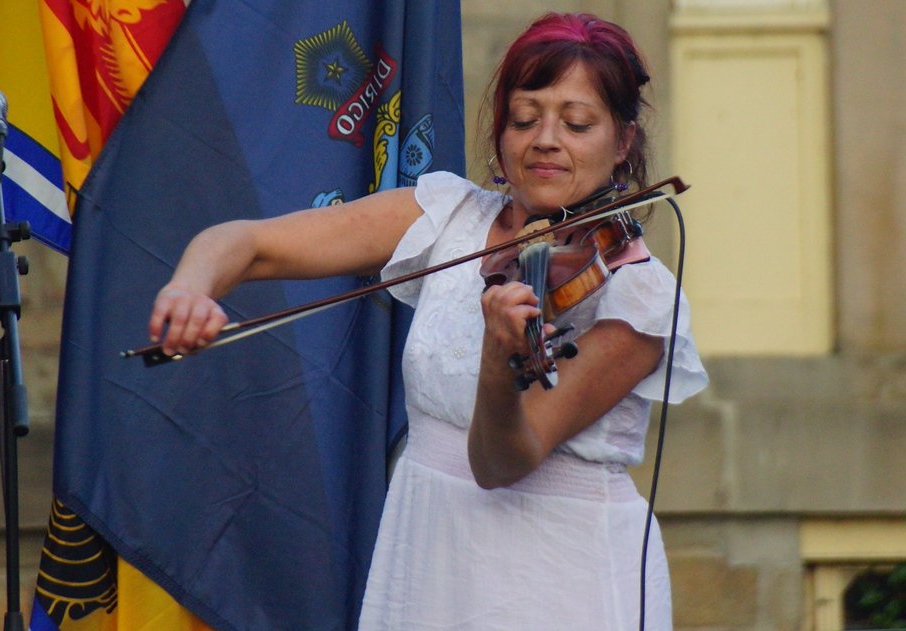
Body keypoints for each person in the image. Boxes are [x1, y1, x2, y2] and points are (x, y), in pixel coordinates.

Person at [148, 12, 708, 630]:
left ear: (623, 142)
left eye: (577, 124)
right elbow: (251, 241)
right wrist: (191, 288)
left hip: (562, 573)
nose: (546, 139)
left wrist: (498, 364)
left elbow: (502, 463)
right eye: (525, 119)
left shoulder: (638, 296)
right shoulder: (450, 216)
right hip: (430, 549)